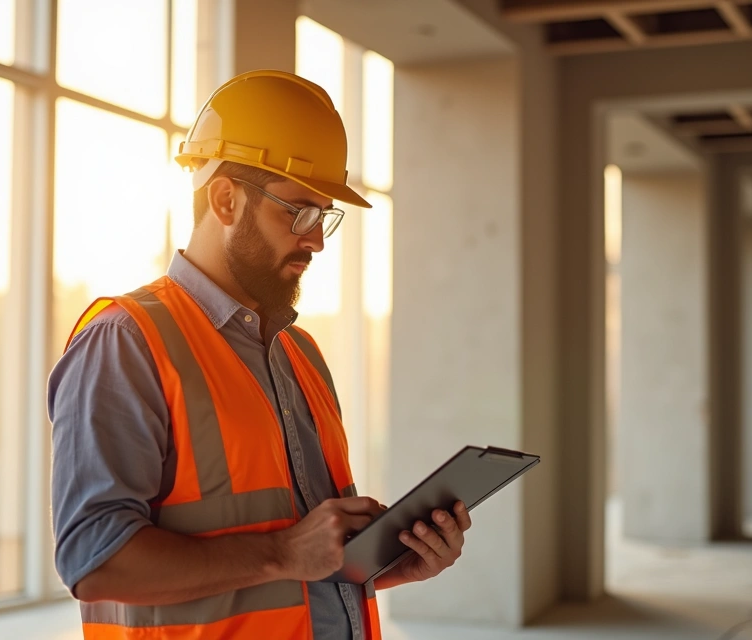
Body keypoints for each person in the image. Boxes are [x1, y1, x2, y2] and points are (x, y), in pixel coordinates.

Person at [48, 70, 472, 640]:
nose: (316, 239)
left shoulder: (300, 354)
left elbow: (307, 562)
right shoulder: (126, 341)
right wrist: (280, 553)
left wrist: (388, 565)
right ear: (226, 199)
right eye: (298, 212)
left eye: (324, 216)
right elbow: (95, 560)